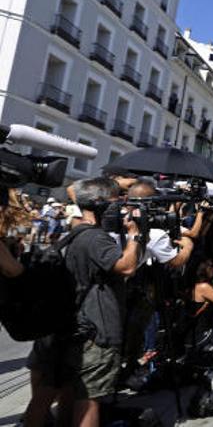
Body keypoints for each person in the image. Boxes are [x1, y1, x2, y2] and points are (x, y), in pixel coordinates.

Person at [28, 178, 141, 427]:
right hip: (95, 332)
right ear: (100, 205)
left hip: (70, 326)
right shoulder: (96, 238)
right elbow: (127, 266)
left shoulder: (76, 232)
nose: (120, 208)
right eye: (116, 203)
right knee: (89, 401)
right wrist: (134, 236)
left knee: (50, 392)